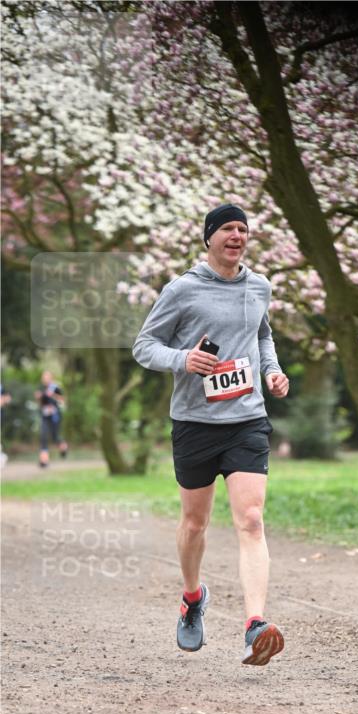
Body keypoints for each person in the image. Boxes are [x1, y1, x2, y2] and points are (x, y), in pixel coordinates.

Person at [132, 203, 289, 664]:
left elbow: (263, 336)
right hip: (195, 423)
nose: (236, 235)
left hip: (246, 419)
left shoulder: (259, 286)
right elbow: (144, 346)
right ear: (209, 238)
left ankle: (254, 624)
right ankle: (192, 597)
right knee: (194, 524)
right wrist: (184, 360)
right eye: (227, 229)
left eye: (243, 229)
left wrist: (273, 371)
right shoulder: (182, 290)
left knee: (252, 520)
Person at [35, 371, 68, 468]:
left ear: (51, 378)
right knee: (43, 436)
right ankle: (44, 461)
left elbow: (62, 400)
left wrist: (53, 396)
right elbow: (39, 400)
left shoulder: (55, 387)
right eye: (43, 376)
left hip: (55, 416)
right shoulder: (40, 388)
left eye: (47, 376)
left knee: (55, 437)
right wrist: (39, 397)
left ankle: (63, 447)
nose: (45, 378)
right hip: (45, 416)